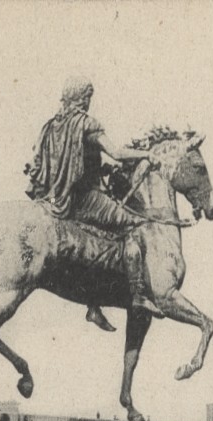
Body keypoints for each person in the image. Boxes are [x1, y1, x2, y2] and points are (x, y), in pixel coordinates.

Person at [24, 75, 162, 326]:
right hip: (84, 199)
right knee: (135, 224)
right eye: (88, 97)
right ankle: (138, 295)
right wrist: (147, 155)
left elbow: (56, 165)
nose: (89, 102)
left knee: (95, 241)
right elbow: (118, 154)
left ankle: (94, 303)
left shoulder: (50, 126)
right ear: (81, 98)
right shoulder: (86, 124)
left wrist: (100, 171)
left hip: (54, 197)